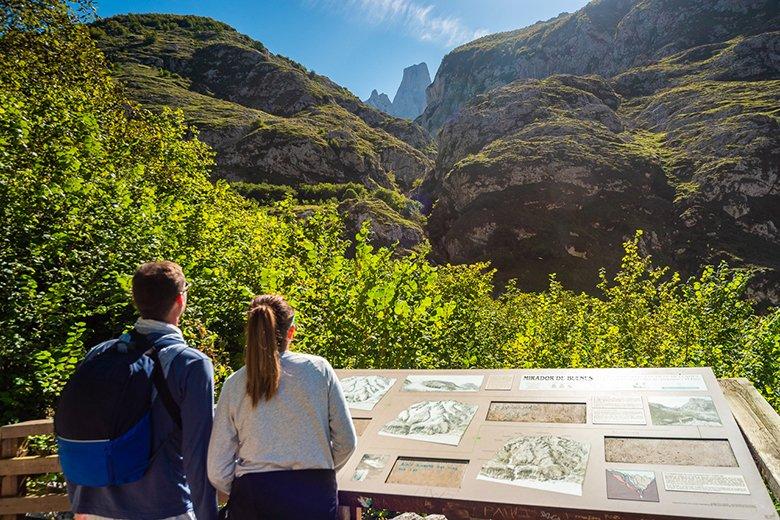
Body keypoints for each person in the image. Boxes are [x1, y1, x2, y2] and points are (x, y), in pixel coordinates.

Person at [68, 261, 218, 520]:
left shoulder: (99, 354)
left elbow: (75, 429)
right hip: (164, 506)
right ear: (180, 300)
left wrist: (78, 502)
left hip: (96, 508)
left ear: (135, 299)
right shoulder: (190, 364)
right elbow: (198, 453)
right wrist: (208, 516)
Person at [207, 295, 357, 520]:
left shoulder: (234, 384)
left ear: (252, 332)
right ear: (291, 332)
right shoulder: (318, 371)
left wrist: (243, 489)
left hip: (254, 498)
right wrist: (319, 471)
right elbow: (347, 442)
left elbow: (217, 468)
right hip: (314, 497)